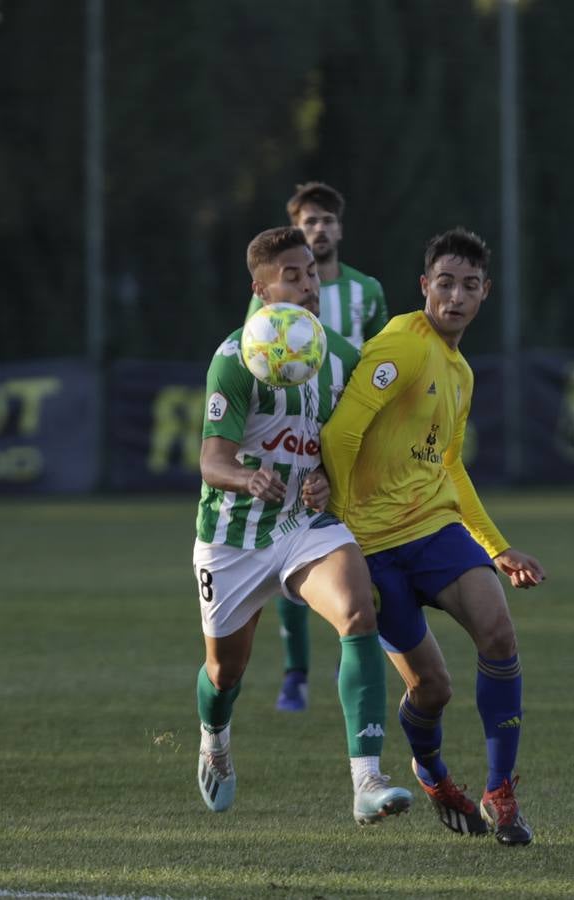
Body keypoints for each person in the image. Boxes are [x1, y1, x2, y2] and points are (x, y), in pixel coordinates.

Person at [321, 227, 546, 845]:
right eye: (444, 283)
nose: (455, 296)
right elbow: (340, 435)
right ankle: (434, 774)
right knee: (432, 690)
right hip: (372, 548)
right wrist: (341, 538)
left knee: (499, 631)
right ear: (425, 286)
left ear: (484, 294)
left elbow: (448, 464)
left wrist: (496, 547)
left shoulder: (461, 372)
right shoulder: (403, 345)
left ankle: (501, 793)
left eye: (468, 286)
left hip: (432, 529)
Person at [192, 225, 410, 825]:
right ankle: (215, 736)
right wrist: (247, 476)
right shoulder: (236, 359)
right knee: (224, 671)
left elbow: (356, 450)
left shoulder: (341, 356)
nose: (309, 284)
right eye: (293, 275)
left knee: (358, 608)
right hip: (233, 537)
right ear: (262, 289)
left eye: (312, 272)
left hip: (303, 523)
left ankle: (366, 781)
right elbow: (212, 460)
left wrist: (330, 480)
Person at [245, 182, 390, 713]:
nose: (320, 229)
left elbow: (377, 362)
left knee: (354, 554)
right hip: (293, 433)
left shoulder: (366, 292)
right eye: (311, 221)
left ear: (339, 228)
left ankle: (348, 651)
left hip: (345, 436)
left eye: (328, 219)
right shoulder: (272, 293)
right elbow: (253, 350)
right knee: (289, 545)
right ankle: (295, 675)